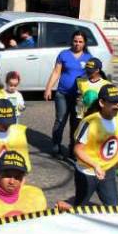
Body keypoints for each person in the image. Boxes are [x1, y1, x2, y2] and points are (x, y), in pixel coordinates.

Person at [73, 84, 118, 206]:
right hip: (87, 172)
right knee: (80, 209)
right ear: (102, 103)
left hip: (108, 171)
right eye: (113, 102)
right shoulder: (90, 122)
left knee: (113, 208)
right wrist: (95, 165)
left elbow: (115, 143)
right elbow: (78, 149)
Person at [44, 30, 93, 160]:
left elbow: (93, 76)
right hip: (62, 94)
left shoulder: (88, 57)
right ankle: (56, 147)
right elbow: (56, 72)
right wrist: (48, 88)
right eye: (75, 41)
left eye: (80, 42)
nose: (77, 44)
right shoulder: (64, 55)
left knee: (76, 123)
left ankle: (73, 150)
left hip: (79, 97)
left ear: (84, 43)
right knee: (60, 120)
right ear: (72, 41)